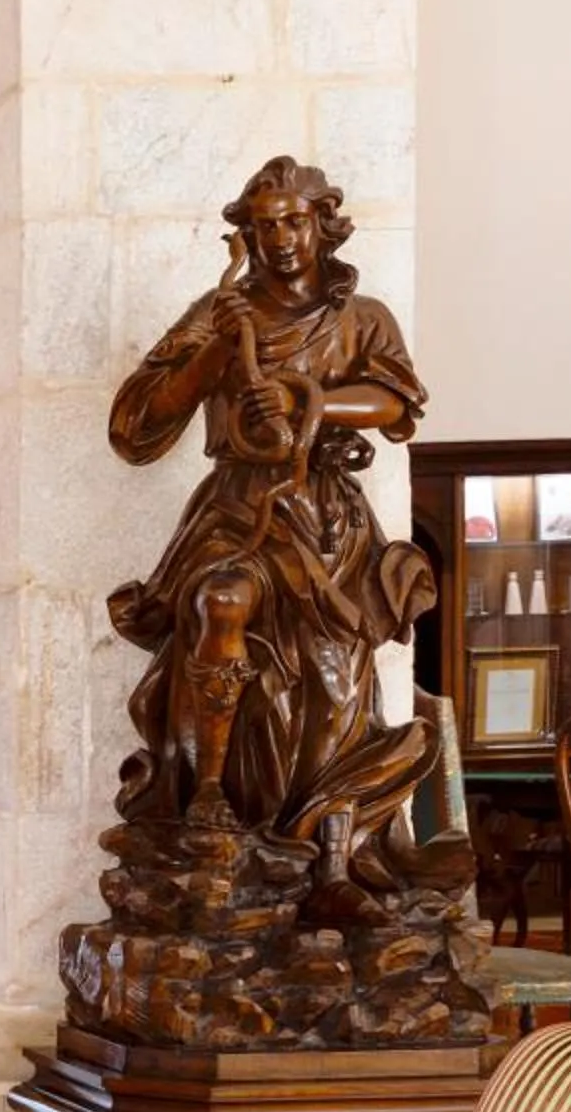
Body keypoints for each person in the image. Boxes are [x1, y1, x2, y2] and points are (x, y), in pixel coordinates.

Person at [103, 156, 438, 906]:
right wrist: (220, 353)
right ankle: (209, 796)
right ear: (246, 235)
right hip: (239, 508)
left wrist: (303, 396)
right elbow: (135, 425)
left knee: (331, 688)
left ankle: (322, 855)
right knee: (220, 601)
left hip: (325, 515)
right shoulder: (219, 312)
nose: (281, 238)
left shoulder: (362, 317)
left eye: (294, 220)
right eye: (264, 226)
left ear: (323, 223)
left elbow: (395, 404)